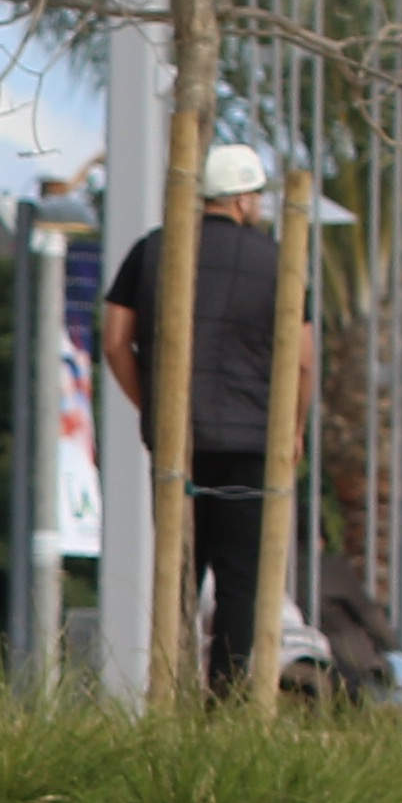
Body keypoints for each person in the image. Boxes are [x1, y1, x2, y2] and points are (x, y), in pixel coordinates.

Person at [98, 140, 291, 697]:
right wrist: (291, 430)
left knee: (179, 571)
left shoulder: (155, 249)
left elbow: (115, 341)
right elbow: (301, 360)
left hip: (179, 442)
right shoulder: (275, 260)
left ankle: (169, 689)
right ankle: (228, 700)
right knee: (240, 579)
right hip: (254, 441)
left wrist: (154, 407)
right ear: (244, 199)